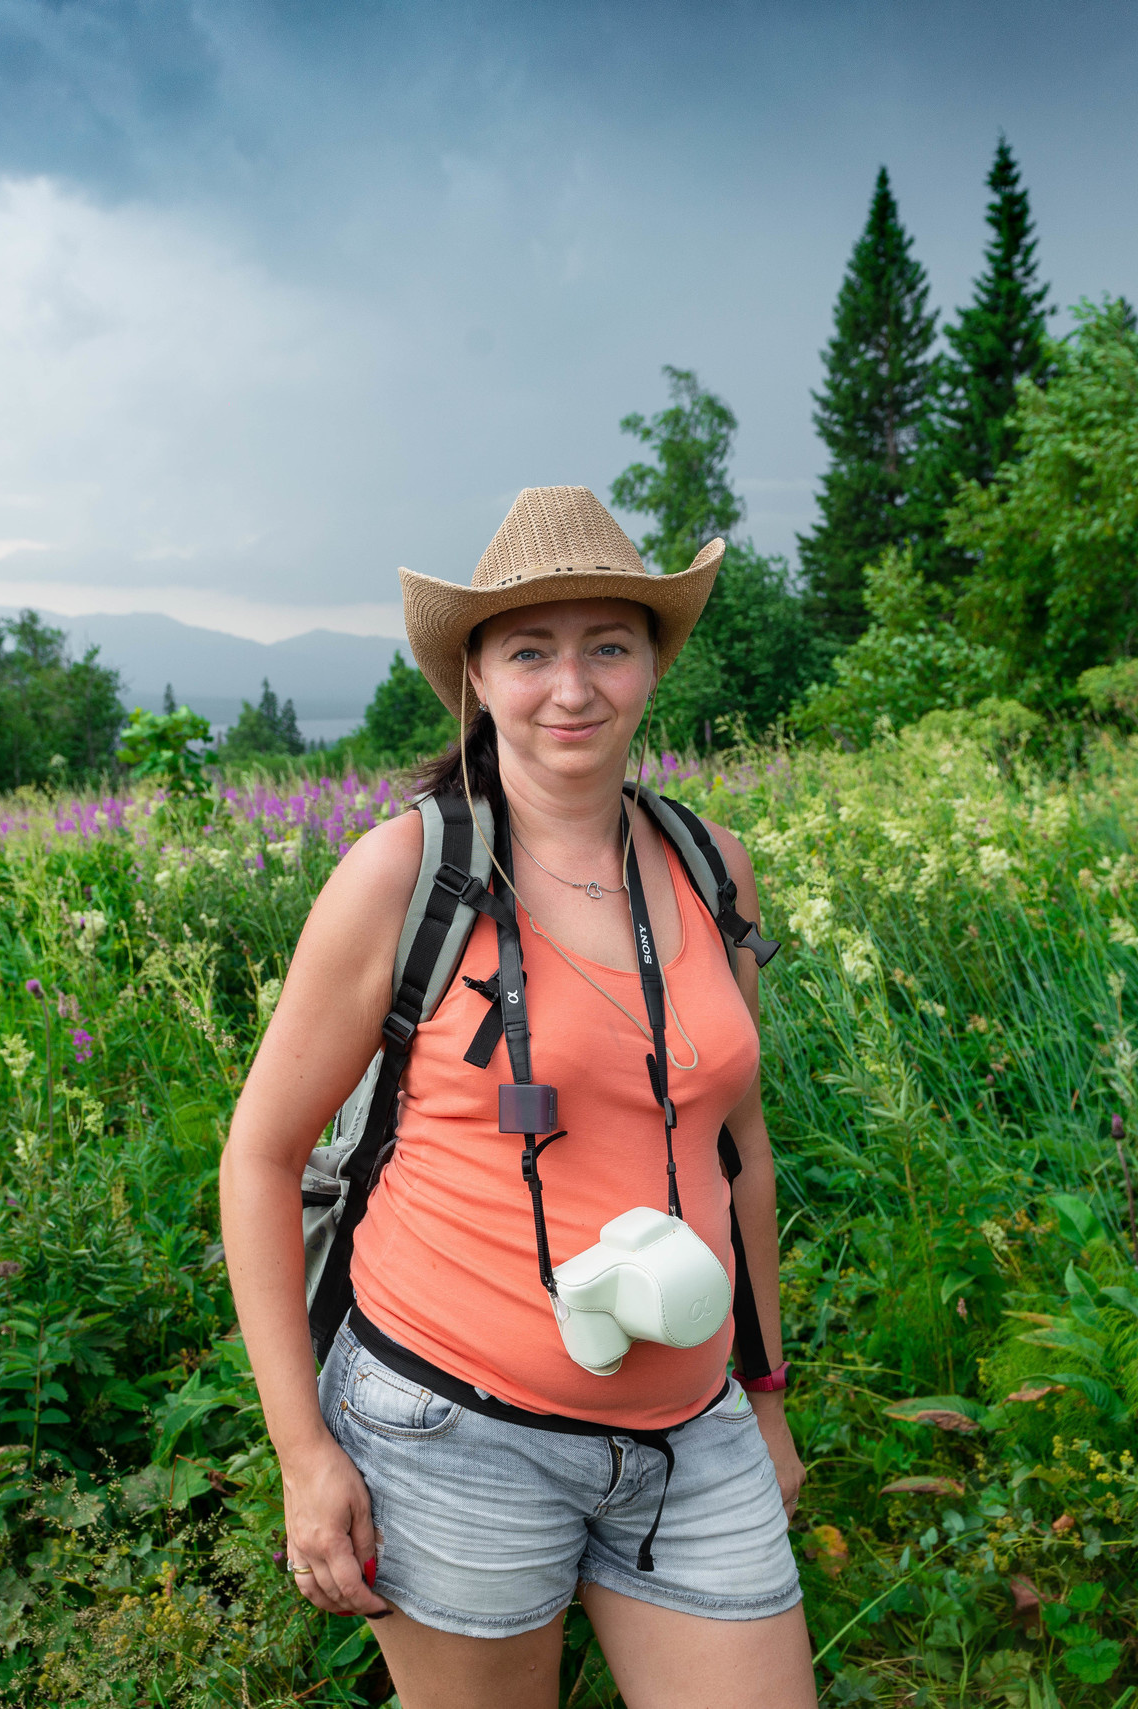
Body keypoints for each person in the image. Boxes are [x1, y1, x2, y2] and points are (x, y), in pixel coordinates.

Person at [220, 487, 813, 1708]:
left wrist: (765, 1395)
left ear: (653, 665)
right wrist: (300, 1449)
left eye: (609, 644)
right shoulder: (402, 873)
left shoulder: (711, 864)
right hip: (447, 1434)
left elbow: (734, 1145)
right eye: (530, 650)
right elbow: (259, 1157)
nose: (572, 686)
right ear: (476, 678)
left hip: (694, 1429)